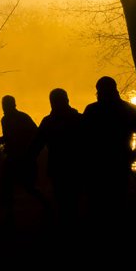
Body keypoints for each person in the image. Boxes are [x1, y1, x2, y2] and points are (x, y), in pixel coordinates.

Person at [82, 76, 136, 225]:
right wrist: (134, 154)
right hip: (116, 163)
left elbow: (82, 139)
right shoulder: (128, 109)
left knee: (100, 204)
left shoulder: (92, 110)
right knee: (117, 202)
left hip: (98, 166)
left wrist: (133, 154)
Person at [31, 88, 85, 226]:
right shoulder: (79, 119)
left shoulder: (48, 122)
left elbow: (36, 145)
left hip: (61, 167)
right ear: (67, 100)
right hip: (75, 166)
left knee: (65, 201)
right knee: (73, 200)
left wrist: (29, 159)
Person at [0, 95, 50, 224]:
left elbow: (35, 133)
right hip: (12, 157)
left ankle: (46, 205)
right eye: (4, 104)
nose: (4, 107)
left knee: (28, 187)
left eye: (6, 104)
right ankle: (10, 214)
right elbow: (9, 136)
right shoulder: (5, 119)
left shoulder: (21, 118)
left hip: (24, 157)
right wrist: (0, 141)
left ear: (12, 105)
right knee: (7, 186)